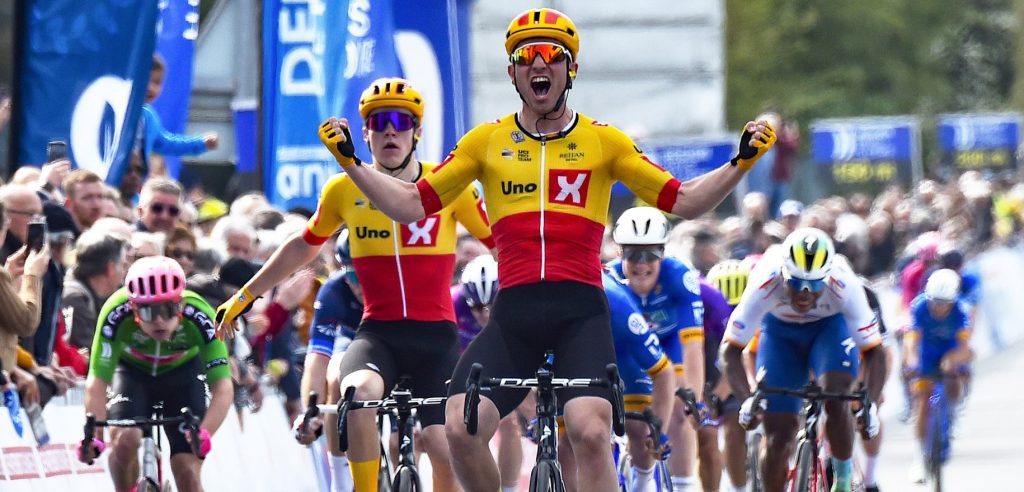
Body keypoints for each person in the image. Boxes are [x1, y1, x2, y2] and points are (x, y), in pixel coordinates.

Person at [295, 7, 775, 490]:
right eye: (526, 57)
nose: (538, 64)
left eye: (552, 55)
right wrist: (353, 164)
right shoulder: (485, 142)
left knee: (590, 434)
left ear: (571, 70)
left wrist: (740, 163)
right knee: (460, 430)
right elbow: (409, 206)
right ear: (513, 73)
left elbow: (685, 200)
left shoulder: (604, 142)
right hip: (515, 316)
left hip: (581, 314)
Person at [221, 77, 494, 492]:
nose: (389, 130)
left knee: (442, 445)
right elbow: (302, 246)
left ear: (416, 132)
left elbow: (501, 243)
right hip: (379, 334)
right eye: (378, 121)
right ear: (363, 133)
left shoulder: (448, 183)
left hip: (436, 339)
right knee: (355, 394)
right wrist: (245, 296)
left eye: (401, 121)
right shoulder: (343, 189)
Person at [719, 228, 885, 492]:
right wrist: (747, 398)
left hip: (829, 329)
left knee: (836, 395)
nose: (804, 292)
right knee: (777, 436)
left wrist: (870, 405)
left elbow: (875, 351)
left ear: (828, 276)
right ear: (783, 272)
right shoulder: (765, 279)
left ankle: (842, 481)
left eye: (815, 284)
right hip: (781, 335)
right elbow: (730, 349)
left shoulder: (845, 283)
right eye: (795, 282)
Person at [79, 256, 232, 492]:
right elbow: (97, 382)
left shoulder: (201, 314)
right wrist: (95, 436)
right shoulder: (115, 312)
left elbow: (222, 386)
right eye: (149, 312)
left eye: (168, 309)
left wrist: (205, 432)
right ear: (134, 309)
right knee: (125, 441)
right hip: (132, 372)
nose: (159, 320)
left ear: (180, 306)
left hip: (182, 374)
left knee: (187, 471)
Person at [607, 206, 705, 491]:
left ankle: (685, 484)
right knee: (638, 426)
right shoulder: (609, 282)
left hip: (670, 345)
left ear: (664, 253)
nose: (641, 263)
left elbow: (693, 346)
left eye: (651, 254)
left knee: (678, 410)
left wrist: (694, 400)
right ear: (619, 253)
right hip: (629, 351)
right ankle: (643, 479)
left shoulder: (679, 276)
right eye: (633, 254)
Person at [561, 271, 675, 492]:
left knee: (639, 428)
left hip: (624, 356)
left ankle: (643, 482)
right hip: (572, 357)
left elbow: (664, 372)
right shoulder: (542, 300)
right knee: (566, 442)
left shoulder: (617, 303)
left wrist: (657, 431)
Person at [451, 254, 527, 492]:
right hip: (463, 364)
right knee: (457, 427)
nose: (484, 314)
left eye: (491, 306)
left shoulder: (515, 304)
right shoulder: (453, 303)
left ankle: (509, 488)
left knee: (508, 422)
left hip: (503, 360)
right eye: (475, 306)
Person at [298, 229, 363, 492]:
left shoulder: (399, 285)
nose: (360, 284)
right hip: (352, 343)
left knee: (396, 440)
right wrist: (309, 411)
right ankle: (340, 480)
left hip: (395, 343)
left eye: (367, 273)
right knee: (336, 375)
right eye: (352, 273)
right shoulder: (334, 291)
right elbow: (317, 358)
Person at [903, 269, 973, 485]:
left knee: (955, 380)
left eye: (944, 303)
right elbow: (911, 341)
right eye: (935, 302)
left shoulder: (961, 310)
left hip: (949, 352)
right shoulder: (919, 307)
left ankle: (952, 414)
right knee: (923, 402)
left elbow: (965, 347)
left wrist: (953, 359)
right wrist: (912, 362)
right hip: (926, 355)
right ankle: (920, 458)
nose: (939, 307)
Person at [62, 233, 129, 354]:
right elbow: (92, 354)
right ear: (111, 268)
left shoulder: (99, 298)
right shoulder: (75, 299)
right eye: (123, 265)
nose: (124, 273)